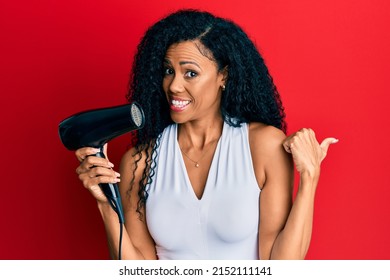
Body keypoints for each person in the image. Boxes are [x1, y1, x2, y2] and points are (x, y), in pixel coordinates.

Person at [75, 9, 338, 260]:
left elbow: (281, 265)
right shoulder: (139, 162)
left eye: (191, 73)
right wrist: (106, 205)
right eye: (169, 71)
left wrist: (310, 178)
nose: (174, 85)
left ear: (223, 76)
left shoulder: (264, 146)